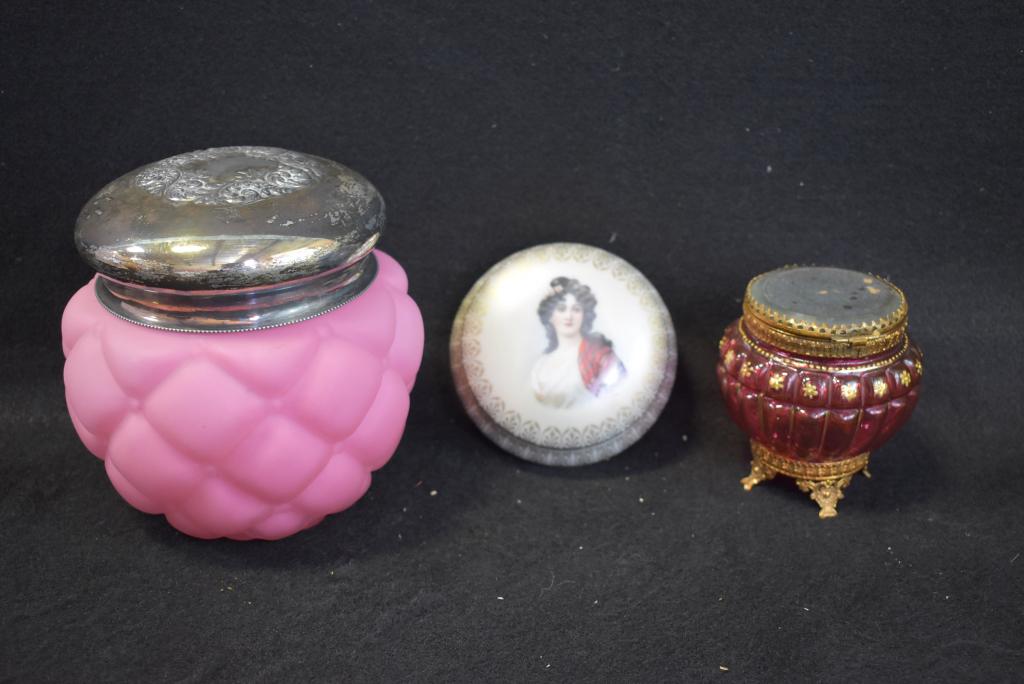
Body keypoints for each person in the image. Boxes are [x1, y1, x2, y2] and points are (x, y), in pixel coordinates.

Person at [530, 276, 626, 408]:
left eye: (576, 309)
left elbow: (618, 394)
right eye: (561, 309)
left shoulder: (599, 353)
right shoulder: (540, 366)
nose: (569, 316)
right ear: (550, 316)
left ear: (584, 315)